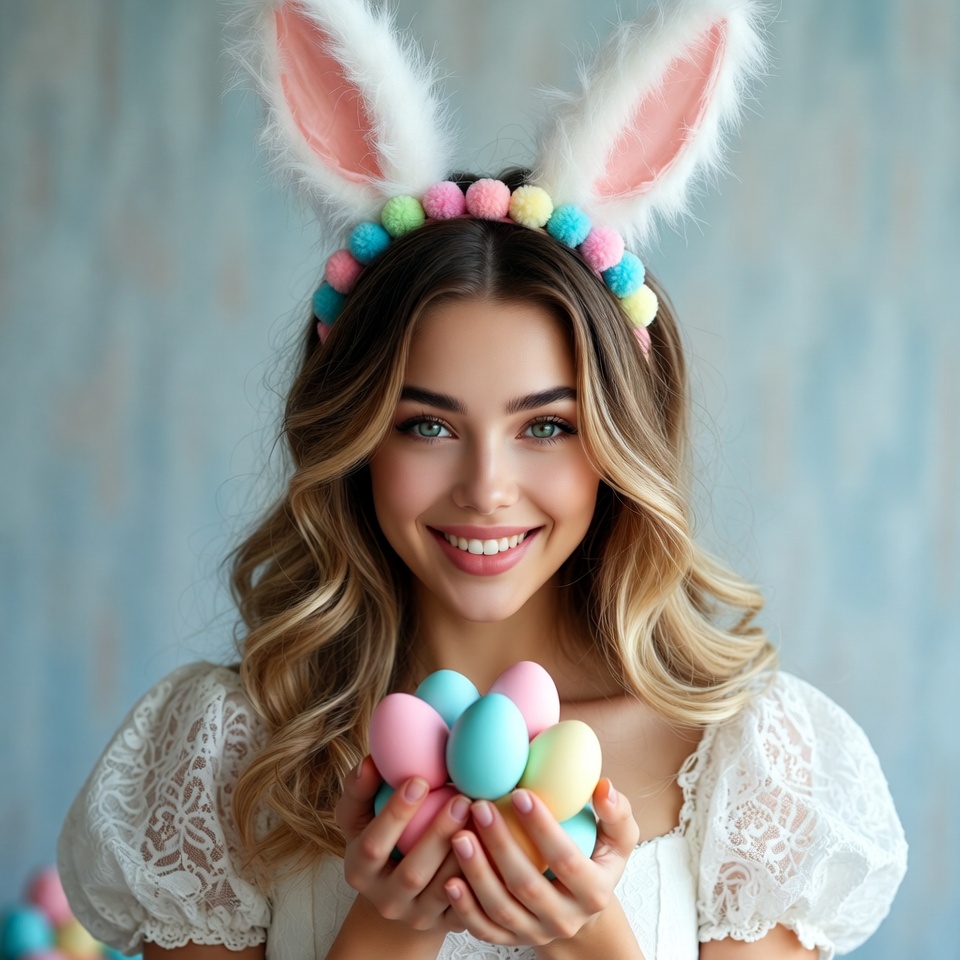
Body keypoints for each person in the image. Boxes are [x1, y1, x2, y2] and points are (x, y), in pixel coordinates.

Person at [57, 1, 908, 958]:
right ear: (356, 434)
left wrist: (594, 941)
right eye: (427, 424)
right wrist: (387, 926)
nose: (487, 487)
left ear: (617, 447)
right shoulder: (230, 756)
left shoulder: (751, 769)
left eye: (546, 426)